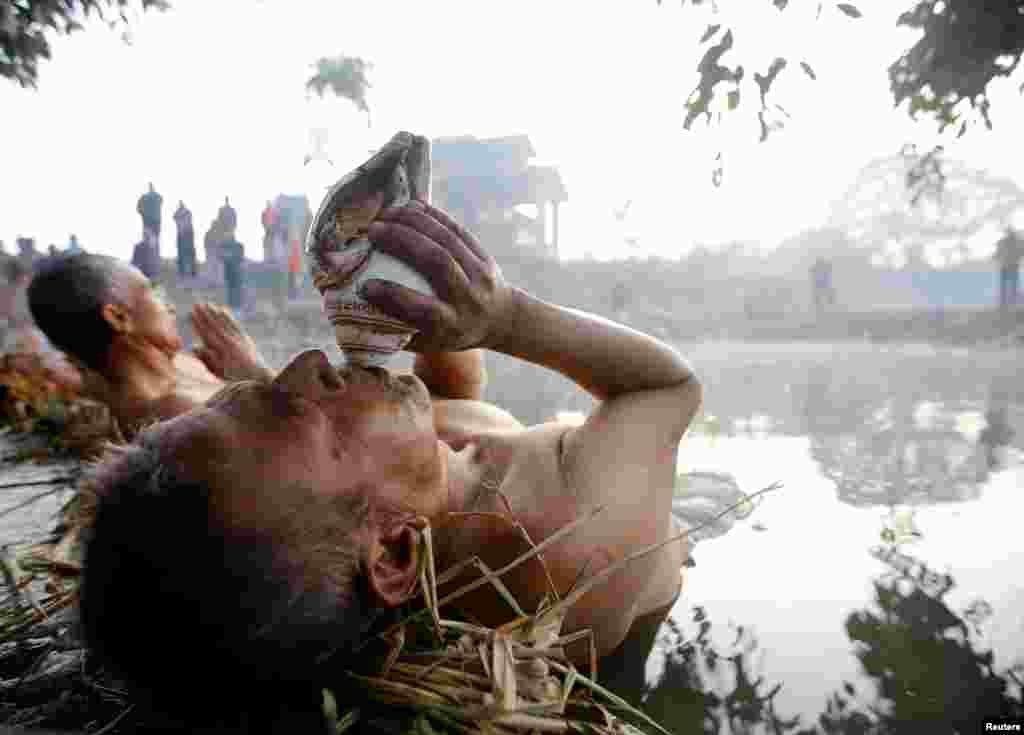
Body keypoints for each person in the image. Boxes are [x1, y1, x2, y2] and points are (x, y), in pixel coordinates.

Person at [78, 201, 701, 717]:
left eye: (259, 392)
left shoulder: (391, 487)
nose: (306, 363)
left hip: (487, 461)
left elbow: (454, 396)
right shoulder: (567, 539)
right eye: (297, 410)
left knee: (460, 409)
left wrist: (439, 325)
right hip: (643, 555)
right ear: (396, 554)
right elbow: (665, 389)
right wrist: (508, 319)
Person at [27, 253, 273, 436]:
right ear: (118, 317)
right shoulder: (172, 416)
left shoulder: (180, 366)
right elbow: (296, 455)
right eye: (155, 293)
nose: (170, 307)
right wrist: (258, 374)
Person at [994, 226, 1022, 310]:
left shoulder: (1002, 242)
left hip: (1006, 265)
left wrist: (998, 257)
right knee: (1012, 284)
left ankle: (1004, 302)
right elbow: (1021, 252)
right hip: (1012, 265)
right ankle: (1010, 302)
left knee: (1005, 285)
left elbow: (998, 253)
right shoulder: (1018, 242)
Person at [219, 232, 245, 315]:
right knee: (230, 294)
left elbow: (240, 257)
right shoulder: (224, 246)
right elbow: (221, 256)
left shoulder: (238, 246)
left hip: (236, 275)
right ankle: (232, 311)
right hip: (229, 275)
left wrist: (229, 256)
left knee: (236, 294)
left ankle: (237, 312)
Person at [137, 183, 163, 255]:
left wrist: (143, 213)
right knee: (153, 241)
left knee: (149, 240)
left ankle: (150, 256)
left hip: (149, 221)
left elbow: (138, 208)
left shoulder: (144, 197)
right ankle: (151, 256)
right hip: (154, 221)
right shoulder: (158, 196)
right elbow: (161, 201)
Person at [173, 201, 196, 279]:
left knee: (189, 253)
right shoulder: (180, 213)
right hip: (182, 234)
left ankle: (192, 272)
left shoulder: (187, 213)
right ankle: (183, 272)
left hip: (187, 234)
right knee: (182, 254)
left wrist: (180, 214)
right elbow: (175, 217)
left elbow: (178, 218)